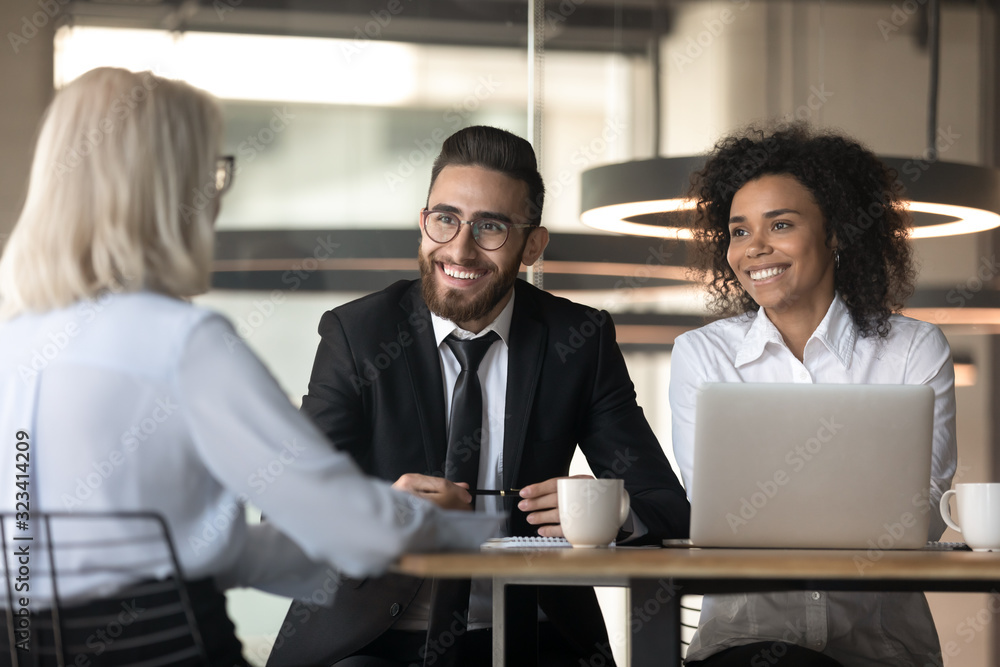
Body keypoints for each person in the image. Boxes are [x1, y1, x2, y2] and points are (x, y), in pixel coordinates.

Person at [0, 67, 494, 666]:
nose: (217, 193)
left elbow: (188, 550)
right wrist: (441, 523)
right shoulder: (182, 343)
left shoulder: (15, 343)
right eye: (210, 170)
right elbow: (349, 526)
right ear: (168, 191)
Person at [266, 125, 691, 667]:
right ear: (424, 223)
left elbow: (669, 510)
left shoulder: (577, 340)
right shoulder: (358, 335)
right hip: (374, 639)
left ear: (532, 244)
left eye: (490, 227)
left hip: (534, 635)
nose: (460, 249)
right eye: (445, 219)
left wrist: (613, 511)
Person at [669, 124, 957, 667]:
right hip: (745, 648)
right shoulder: (702, 355)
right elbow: (718, 516)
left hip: (882, 650)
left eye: (780, 224)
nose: (754, 247)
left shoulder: (915, 348)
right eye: (738, 231)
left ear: (837, 233)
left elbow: (923, 515)